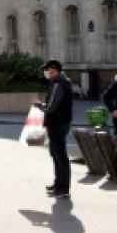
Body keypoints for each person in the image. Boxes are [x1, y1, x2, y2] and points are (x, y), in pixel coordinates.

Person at [36, 59, 74, 198]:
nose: (47, 72)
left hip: (58, 123)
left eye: (48, 70)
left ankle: (63, 187)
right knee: (55, 154)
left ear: (55, 69)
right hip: (57, 122)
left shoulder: (59, 84)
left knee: (60, 155)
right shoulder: (58, 83)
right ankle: (58, 184)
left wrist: (39, 105)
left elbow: (51, 107)